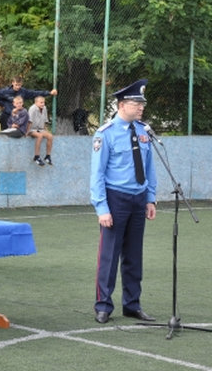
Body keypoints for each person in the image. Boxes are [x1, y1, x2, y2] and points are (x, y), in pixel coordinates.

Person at [90, 79, 157, 324]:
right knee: (109, 255)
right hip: (115, 198)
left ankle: (132, 304)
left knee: (133, 255)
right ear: (121, 105)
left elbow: (149, 168)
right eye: (136, 103)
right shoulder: (105, 133)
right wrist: (102, 208)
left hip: (138, 198)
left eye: (142, 103)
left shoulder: (143, 131)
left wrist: (150, 198)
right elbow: (97, 174)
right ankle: (103, 306)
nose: (141, 107)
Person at [28, 96, 54, 166]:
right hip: (32, 129)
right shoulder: (32, 109)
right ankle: (37, 156)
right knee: (40, 136)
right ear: (36, 103)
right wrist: (27, 132)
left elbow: (45, 121)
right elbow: (29, 122)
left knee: (50, 136)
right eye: (41, 102)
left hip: (40, 129)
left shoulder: (44, 108)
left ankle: (48, 156)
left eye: (44, 102)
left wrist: (46, 130)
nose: (43, 104)